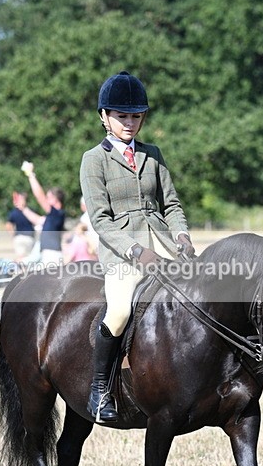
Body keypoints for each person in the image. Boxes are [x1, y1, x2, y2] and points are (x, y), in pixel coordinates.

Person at [80, 70, 195, 422]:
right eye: (121, 116)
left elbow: (171, 205)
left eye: (135, 116)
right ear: (105, 117)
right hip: (121, 253)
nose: (129, 123)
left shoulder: (153, 154)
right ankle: (100, 391)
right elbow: (100, 219)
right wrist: (134, 251)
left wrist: (183, 238)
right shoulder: (93, 160)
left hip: (163, 245)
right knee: (119, 311)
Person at [20, 162, 65, 265]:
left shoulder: (58, 213)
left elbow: (40, 197)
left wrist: (31, 175)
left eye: (49, 197)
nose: (47, 200)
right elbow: (37, 219)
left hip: (52, 256)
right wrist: (24, 208)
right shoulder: (52, 216)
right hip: (47, 255)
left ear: (56, 200)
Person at [5, 190, 35, 261]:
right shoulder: (31, 211)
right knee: (28, 259)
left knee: (20, 258)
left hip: (19, 237)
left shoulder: (13, 212)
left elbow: (8, 225)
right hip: (29, 237)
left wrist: (13, 235)